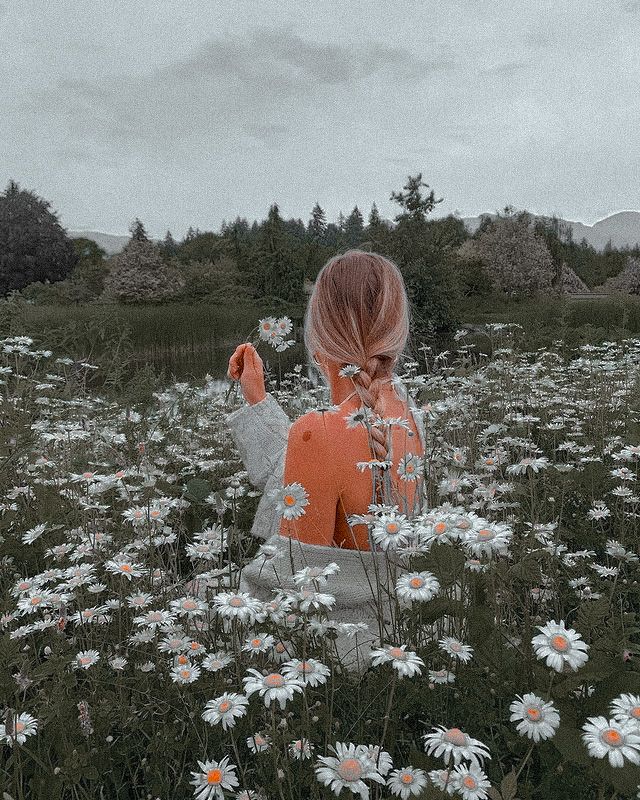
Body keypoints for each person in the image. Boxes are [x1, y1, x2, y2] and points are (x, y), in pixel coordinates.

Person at [225, 250, 427, 670]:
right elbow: (320, 468)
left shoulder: (315, 433)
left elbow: (293, 591)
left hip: (334, 667)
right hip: (397, 644)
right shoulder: (411, 421)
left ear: (318, 339)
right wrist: (257, 399)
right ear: (397, 331)